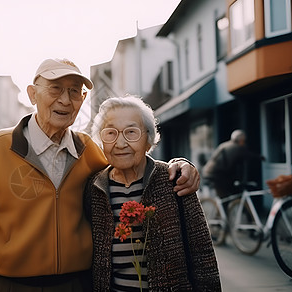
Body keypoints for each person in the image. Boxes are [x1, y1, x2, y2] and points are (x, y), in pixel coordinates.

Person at [0, 58, 200, 292]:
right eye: (55, 88)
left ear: (82, 101)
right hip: (8, 285)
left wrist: (180, 165)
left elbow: (130, 163)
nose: (65, 100)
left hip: (76, 285)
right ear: (32, 94)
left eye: (75, 91)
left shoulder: (89, 152)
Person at [85, 95, 221, 291]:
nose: (120, 143)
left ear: (148, 140)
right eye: (110, 133)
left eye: (131, 132)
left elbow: (203, 255)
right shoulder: (94, 188)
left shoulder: (174, 180)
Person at [202, 129, 264, 198]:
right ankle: (225, 207)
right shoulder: (237, 148)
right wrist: (260, 157)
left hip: (209, 172)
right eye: (244, 140)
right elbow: (248, 155)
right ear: (241, 140)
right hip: (216, 175)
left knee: (227, 192)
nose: (244, 142)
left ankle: (225, 206)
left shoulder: (225, 144)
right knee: (227, 195)